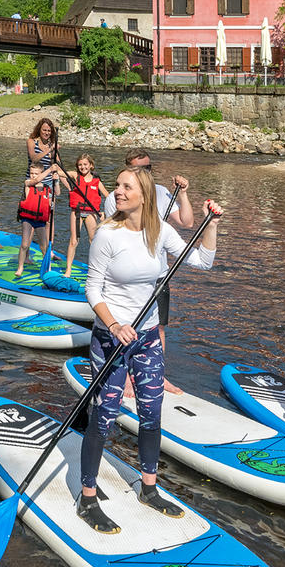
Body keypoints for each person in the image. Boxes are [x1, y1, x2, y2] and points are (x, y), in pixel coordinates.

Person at [78, 168, 222, 533]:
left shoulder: (160, 232)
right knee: (105, 415)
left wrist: (211, 223)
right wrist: (113, 324)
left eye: (126, 186)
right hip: (111, 338)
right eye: (118, 186)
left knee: (151, 412)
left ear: (144, 194)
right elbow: (92, 290)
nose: (118, 191)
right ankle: (88, 496)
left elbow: (203, 261)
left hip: (146, 338)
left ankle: (149, 487)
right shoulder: (107, 235)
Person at [123, 148, 193, 394]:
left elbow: (187, 222)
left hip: (159, 274)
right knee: (128, 325)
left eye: (148, 168)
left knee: (158, 327)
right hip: (130, 273)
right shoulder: (120, 196)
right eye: (140, 169)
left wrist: (183, 195)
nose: (146, 173)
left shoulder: (163, 193)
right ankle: (126, 377)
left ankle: (157, 376)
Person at [14, 161, 69, 277]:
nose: (33, 175)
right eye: (31, 173)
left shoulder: (46, 188)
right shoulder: (28, 183)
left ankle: (47, 268)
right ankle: (20, 267)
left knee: (44, 247)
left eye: (36, 173)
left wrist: (56, 180)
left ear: (41, 173)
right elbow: (35, 181)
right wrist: (49, 170)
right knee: (24, 244)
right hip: (27, 220)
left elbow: (57, 193)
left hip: (40, 221)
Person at [64, 153, 111, 266]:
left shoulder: (97, 182)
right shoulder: (75, 176)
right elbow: (62, 172)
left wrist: (107, 213)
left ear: (91, 165)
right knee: (74, 241)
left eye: (85, 164)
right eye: (80, 165)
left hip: (91, 214)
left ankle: (96, 267)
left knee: (93, 241)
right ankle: (68, 270)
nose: (83, 167)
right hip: (77, 212)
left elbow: (109, 197)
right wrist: (55, 167)